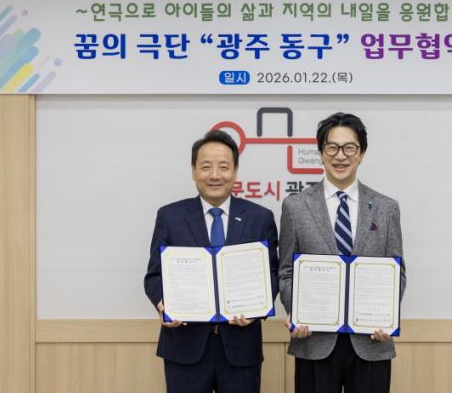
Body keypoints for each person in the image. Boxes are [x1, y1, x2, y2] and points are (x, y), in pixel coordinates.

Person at [278, 112, 406, 393]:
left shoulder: (386, 208)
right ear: (321, 153)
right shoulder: (295, 207)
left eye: (349, 148)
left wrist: (385, 316)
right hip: (314, 340)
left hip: (371, 342)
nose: (340, 156)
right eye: (332, 147)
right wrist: (296, 311)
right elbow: (285, 271)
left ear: (361, 153)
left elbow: (397, 273)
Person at [144, 129, 279, 393]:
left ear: (235, 171)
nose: (215, 175)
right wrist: (163, 304)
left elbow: (272, 274)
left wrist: (256, 310)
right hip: (184, 347)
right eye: (206, 167)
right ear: (193, 171)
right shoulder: (170, 216)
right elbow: (154, 276)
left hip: (241, 348)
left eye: (223, 167)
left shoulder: (259, 218)